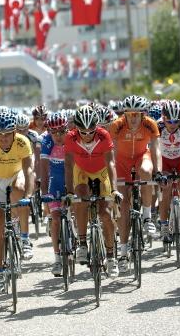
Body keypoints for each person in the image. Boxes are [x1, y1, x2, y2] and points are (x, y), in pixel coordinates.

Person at [0, 111, 34, 294]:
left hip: (16, 174)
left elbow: (28, 171)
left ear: (14, 132)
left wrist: (28, 196)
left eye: (7, 134)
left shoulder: (22, 142)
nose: (3, 139)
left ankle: (25, 238)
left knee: (20, 191)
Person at [64, 105, 121, 278]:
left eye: (91, 131)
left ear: (96, 127)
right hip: (81, 172)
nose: (87, 135)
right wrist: (69, 192)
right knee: (80, 198)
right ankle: (82, 243)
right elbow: (68, 165)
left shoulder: (103, 135)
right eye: (83, 131)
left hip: (101, 172)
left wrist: (115, 190)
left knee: (105, 213)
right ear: (77, 128)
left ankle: (111, 257)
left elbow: (111, 163)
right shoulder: (70, 137)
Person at [109, 95, 162, 273]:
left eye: (136, 114)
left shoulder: (149, 124)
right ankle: (123, 253)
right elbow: (111, 152)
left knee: (147, 172)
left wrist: (159, 172)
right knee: (123, 207)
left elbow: (156, 148)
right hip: (122, 163)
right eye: (129, 114)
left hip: (141, 158)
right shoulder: (116, 125)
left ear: (142, 114)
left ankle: (147, 216)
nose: (132, 118)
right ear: (124, 114)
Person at [40, 112, 68, 277]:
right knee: (56, 218)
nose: (58, 135)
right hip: (54, 180)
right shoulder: (46, 142)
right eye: (54, 131)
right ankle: (57, 259)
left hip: (71, 178)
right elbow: (43, 170)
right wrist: (44, 193)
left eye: (61, 131)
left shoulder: (72, 138)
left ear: (67, 129)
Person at [157, 99, 180, 241]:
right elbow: (152, 149)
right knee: (166, 189)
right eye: (168, 121)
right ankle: (164, 225)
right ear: (163, 118)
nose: (172, 124)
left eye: (175, 121)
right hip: (164, 161)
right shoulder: (157, 126)